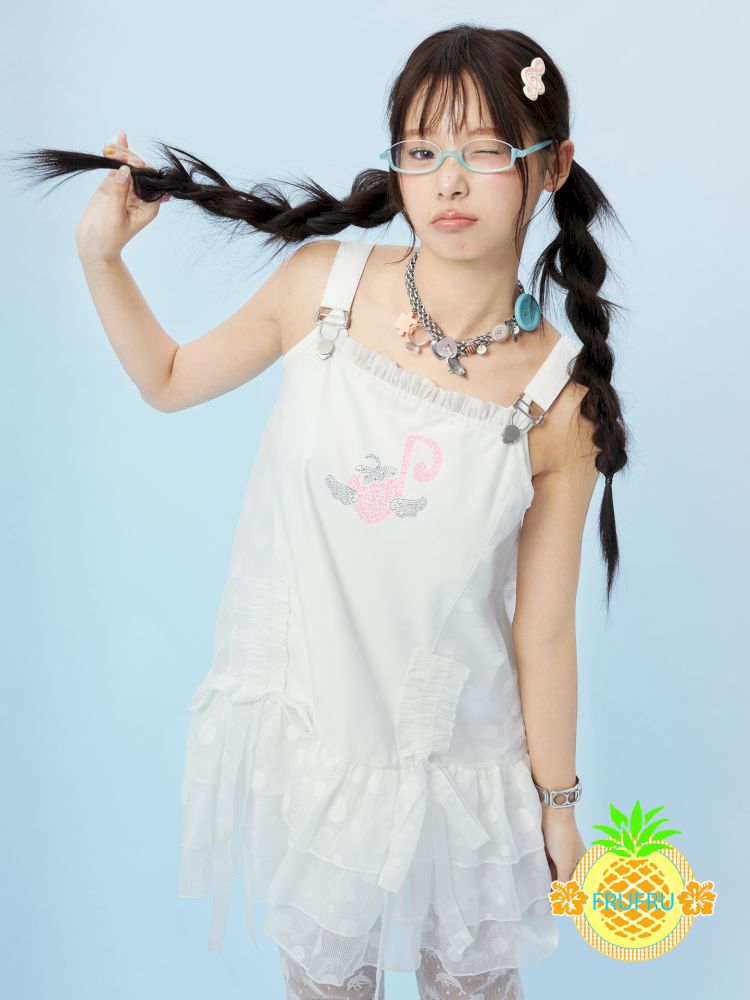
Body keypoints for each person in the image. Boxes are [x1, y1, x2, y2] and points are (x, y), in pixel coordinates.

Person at [9, 22, 629, 1000]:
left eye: (484, 151)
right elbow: (167, 379)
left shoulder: (560, 401)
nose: (449, 182)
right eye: (421, 150)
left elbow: (543, 629)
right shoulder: (321, 290)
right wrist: (102, 258)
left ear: (551, 166)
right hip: (324, 742)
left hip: (462, 758)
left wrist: (558, 803)